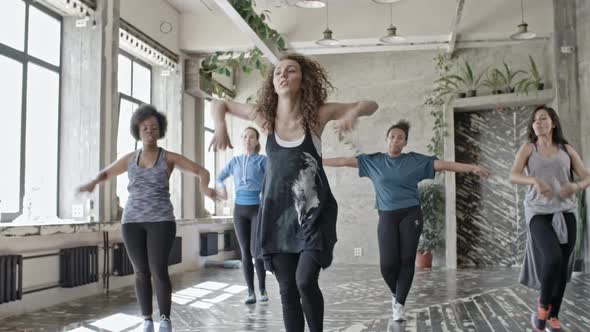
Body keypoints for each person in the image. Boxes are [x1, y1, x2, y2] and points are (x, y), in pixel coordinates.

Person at [208, 53, 378, 332]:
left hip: (313, 214)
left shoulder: (317, 116)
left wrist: (352, 111)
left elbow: (371, 105)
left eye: (291, 70)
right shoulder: (265, 120)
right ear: (273, 84)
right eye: (278, 73)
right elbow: (219, 102)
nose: (283, 75)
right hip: (277, 216)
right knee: (287, 290)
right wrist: (220, 125)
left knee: (304, 281)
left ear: (303, 79)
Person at [323, 119, 489, 322]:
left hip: (411, 214)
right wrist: (318, 160)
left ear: (405, 143)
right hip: (386, 215)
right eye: (392, 136)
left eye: (400, 137)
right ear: (386, 139)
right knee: (387, 265)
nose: (395, 140)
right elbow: (343, 161)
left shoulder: (415, 161)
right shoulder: (373, 161)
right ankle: (397, 293)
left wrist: (472, 168)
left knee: (407, 260)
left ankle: (399, 303)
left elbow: (445, 165)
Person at [78, 105, 217, 332]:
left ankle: (165, 319)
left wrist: (205, 189)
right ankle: (146, 320)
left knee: (158, 269)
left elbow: (202, 171)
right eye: (144, 127)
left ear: (159, 130)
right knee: (141, 271)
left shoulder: (168, 157)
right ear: (137, 130)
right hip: (131, 221)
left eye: (153, 127)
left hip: (161, 220)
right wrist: (92, 183)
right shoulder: (130, 159)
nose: (149, 130)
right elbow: (106, 172)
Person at [510, 105, 590, 332]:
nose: (539, 123)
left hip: (566, 211)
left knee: (563, 265)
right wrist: (534, 181)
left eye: (543, 119)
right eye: (535, 121)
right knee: (553, 257)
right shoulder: (528, 148)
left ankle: (553, 317)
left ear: (553, 123)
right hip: (537, 212)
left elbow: (587, 176)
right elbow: (513, 175)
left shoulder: (566, 149)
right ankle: (542, 310)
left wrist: (575, 186)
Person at [216, 126, 268, 304]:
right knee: (245, 253)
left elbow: (274, 179)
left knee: (256, 252)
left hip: (257, 209)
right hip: (239, 210)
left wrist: (267, 196)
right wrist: (222, 191)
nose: (248, 140)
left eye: (251, 137)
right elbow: (219, 178)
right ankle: (251, 293)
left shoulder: (262, 160)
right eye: (245, 137)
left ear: (256, 141)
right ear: (241, 140)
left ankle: (262, 289)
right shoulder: (235, 161)